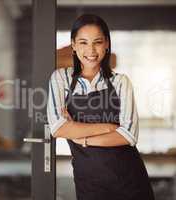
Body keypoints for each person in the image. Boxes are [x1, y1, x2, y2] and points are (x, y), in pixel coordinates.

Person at [47, 14, 155, 200]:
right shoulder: (61, 79)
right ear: (73, 45)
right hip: (90, 181)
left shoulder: (120, 82)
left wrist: (83, 139)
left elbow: (129, 135)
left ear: (106, 44)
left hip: (130, 179)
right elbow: (58, 127)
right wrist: (108, 128)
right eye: (83, 42)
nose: (91, 50)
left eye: (97, 42)